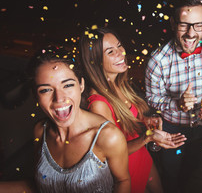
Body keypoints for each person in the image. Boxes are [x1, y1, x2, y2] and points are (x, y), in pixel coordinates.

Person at [145, 0, 202, 192]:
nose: (191, 34)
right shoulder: (157, 61)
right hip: (171, 128)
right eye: (184, 25)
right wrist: (176, 104)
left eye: (198, 25)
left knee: (193, 166)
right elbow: (152, 98)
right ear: (172, 23)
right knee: (170, 172)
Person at [80, 27, 186, 193]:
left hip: (142, 157)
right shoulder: (98, 105)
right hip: (126, 171)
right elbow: (111, 154)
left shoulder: (117, 83)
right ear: (95, 61)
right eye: (110, 51)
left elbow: (125, 119)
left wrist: (144, 120)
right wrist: (147, 137)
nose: (121, 53)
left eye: (119, 46)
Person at [31, 46, 130, 192]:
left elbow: (123, 181)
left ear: (81, 85)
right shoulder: (40, 131)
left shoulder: (108, 136)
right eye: (46, 90)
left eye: (68, 85)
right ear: (36, 95)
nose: (59, 99)